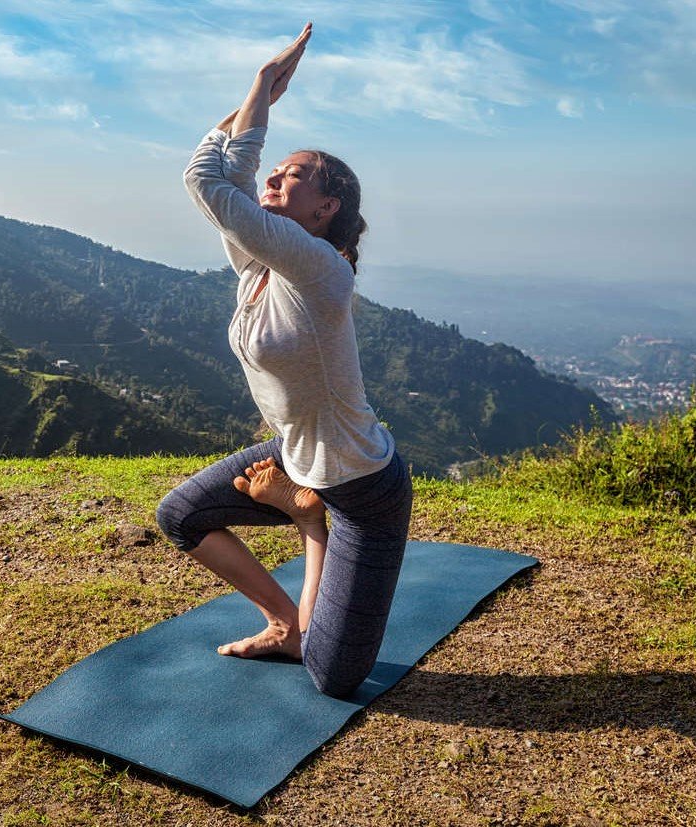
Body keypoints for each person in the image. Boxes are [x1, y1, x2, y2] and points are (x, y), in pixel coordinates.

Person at [155, 22, 413, 699]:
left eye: (294, 175)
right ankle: (283, 621)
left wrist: (260, 87)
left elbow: (206, 179)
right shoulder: (258, 264)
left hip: (362, 490)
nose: (275, 174)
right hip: (296, 452)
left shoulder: (319, 267)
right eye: (279, 168)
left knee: (331, 677)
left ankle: (307, 521)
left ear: (325, 209)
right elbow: (232, 177)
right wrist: (260, 98)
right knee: (180, 515)